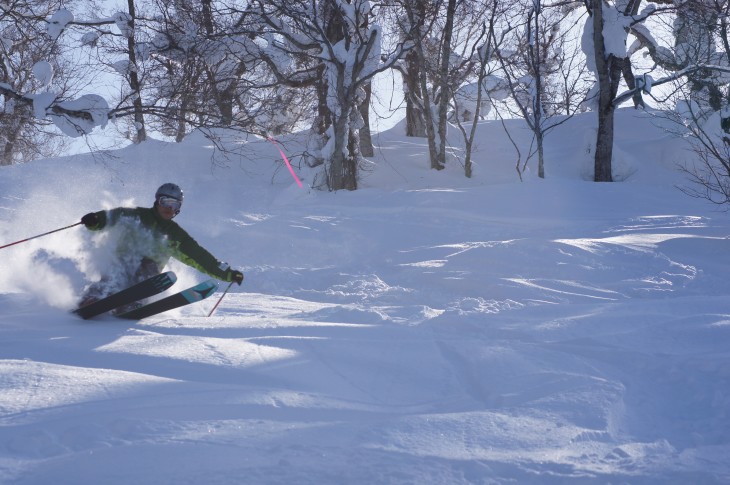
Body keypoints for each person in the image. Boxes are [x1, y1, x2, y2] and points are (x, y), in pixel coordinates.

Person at [78, 183, 244, 308]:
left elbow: (200, 257)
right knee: (113, 275)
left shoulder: (176, 235)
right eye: (166, 202)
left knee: (147, 268)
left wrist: (228, 274)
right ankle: (91, 301)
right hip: (121, 263)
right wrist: (95, 220)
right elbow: (110, 217)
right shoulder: (135, 215)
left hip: (147, 273)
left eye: (175, 205)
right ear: (157, 201)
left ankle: (134, 302)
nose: (169, 208)